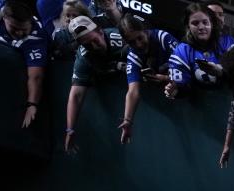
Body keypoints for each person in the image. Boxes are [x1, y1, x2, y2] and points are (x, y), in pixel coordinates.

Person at [64, 15, 126, 152]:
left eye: (95, 40)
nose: (93, 46)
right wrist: (70, 129)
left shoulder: (120, 38)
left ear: (100, 31)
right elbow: (76, 95)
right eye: (86, 45)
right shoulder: (84, 56)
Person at [118, 12, 177, 144]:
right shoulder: (133, 55)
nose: (138, 44)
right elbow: (133, 91)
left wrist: (166, 78)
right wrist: (127, 121)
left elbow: (186, 70)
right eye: (131, 42)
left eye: (140, 38)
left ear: (146, 31)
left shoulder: (163, 38)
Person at [165, 2, 234, 99]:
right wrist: (176, 91)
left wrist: (221, 72)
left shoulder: (229, 42)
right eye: (195, 23)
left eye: (205, 22)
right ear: (188, 26)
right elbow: (182, 86)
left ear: (211, 24)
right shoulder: (182, 51)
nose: (201, 27)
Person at [0, 0, 48, 129]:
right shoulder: (2, 8)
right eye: (14, 29)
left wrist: (32, 104)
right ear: (4, 18)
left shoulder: (37, 38)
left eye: (24, 29)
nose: (20, 33)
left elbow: (36, 76)